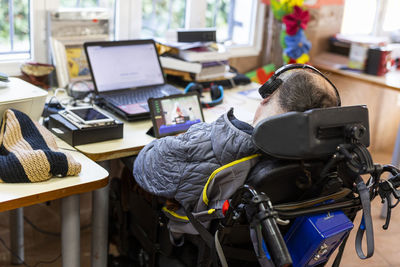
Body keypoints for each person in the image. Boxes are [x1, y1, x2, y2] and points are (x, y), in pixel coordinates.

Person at [133, 64, 340, 211]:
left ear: (266, 96)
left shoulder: (212, 143)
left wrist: (187, 138)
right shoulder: (330, 159)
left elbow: (143, 167)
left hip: (198, 242)